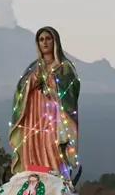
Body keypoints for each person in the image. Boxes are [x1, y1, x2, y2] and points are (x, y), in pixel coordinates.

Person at [9, 27, 80, 182]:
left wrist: (53, 83)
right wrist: (32, 82)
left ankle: (56, 174)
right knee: (33, 144)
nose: (45, 42)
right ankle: (34, 173)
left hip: (54, 117)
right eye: (41, 40)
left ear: (55, 41)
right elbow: (20, 91)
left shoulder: (65, 66)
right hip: (33, 116)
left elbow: (72, 89)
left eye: (48, 38)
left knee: (53, 147)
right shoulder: (33, 67)